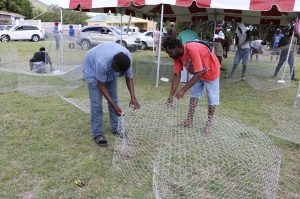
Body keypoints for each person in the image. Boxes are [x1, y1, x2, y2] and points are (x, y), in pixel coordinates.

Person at [83, 42, 140, 147]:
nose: (118, 74)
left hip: (107, 65)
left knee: (114, 99)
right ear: (113, 63)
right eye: (118, 71)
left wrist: (133, 97)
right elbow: (102, 85)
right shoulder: (101, 62)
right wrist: (114, 105)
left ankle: (116, 128)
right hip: (92, 69)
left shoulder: (127, 59)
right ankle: (97, 133)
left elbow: (129, 78)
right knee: (96, 104)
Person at [163, 36, 221, 136]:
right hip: (198, 73)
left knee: (212, 98)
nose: (169, 55)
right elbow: (177, 75)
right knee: (194, 96)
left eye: (169, 52)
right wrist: (171, 95)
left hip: (211, 72)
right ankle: (189, 120)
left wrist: (183, 90)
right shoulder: (176, 56)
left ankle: (209, 123)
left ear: (176, 47)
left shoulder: (191, 49)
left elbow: (198, 73)